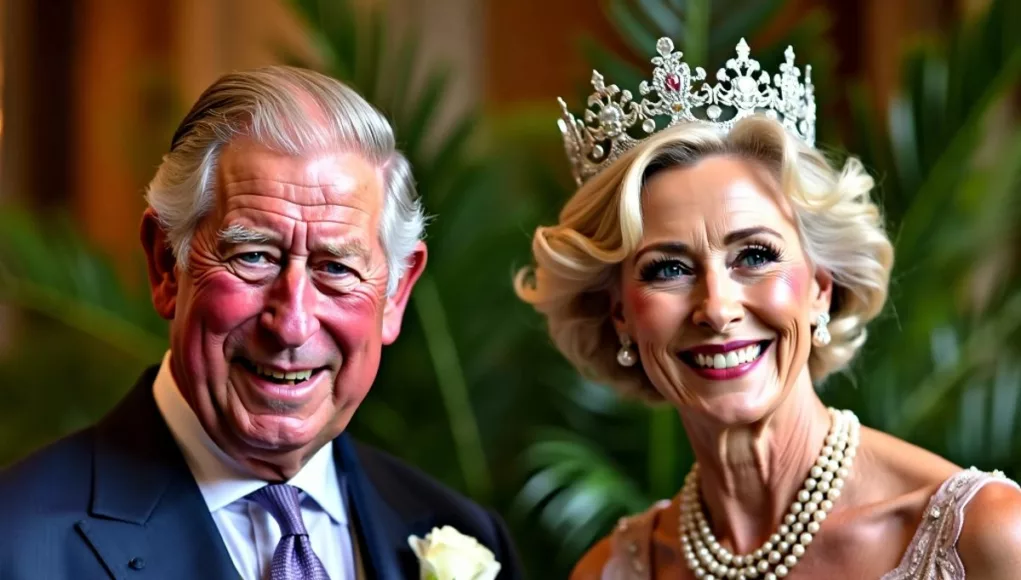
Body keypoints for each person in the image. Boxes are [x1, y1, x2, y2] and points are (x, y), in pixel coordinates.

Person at [515, 37, 1021, 579]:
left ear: (820, 288)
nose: (716, 307)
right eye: (668, 268)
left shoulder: (986, 537)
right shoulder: (609, 572)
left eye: (754, 255)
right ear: (620, 315)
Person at [0, 66, 521, 580]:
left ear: (396, 294)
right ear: (165, 265)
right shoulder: (17, 545)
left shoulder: (464, 533)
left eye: (336, 268)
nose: (292, 324)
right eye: (254, 256)